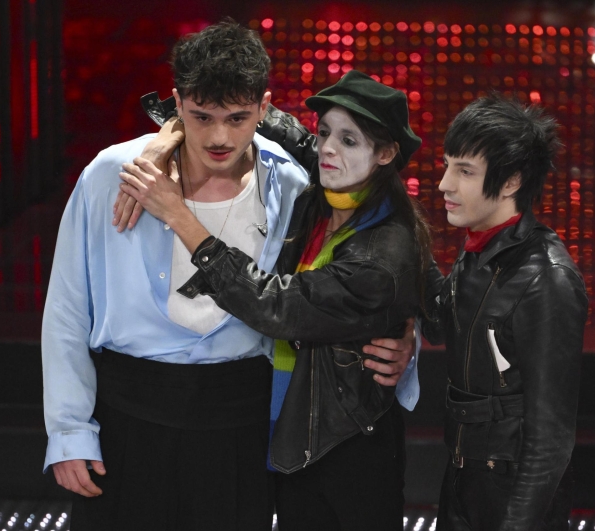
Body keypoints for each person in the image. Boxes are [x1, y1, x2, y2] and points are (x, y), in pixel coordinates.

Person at [41, 21, 415, 531]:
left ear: (264, 108)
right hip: (125, 418)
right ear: (177, 105)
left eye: (238, 118)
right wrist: (68, 430)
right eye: (201, 117)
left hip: (240, 422)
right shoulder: (114, 172)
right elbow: (66, 307)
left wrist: (399, 329)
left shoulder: (292, 179)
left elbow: (383, 232)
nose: (219, 136)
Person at [119, 69, 431, 531]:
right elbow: (254, 118)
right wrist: (169, 135)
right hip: (297, 436)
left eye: (349, 140)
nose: (327, 148)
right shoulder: (335, 188)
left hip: (345, 453)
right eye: (325, 132)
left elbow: (274, 305)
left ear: (385, 154)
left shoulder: (380, 256)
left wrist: (178, 216)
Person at [422, 95, 588, 530]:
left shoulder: (546, 278)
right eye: (447, 165)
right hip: (461, 480)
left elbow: (550, 440)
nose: (444, 184)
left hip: (512, 498)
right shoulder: (477, 250)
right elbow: (438, 326)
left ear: (511, 181)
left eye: (465, 172)